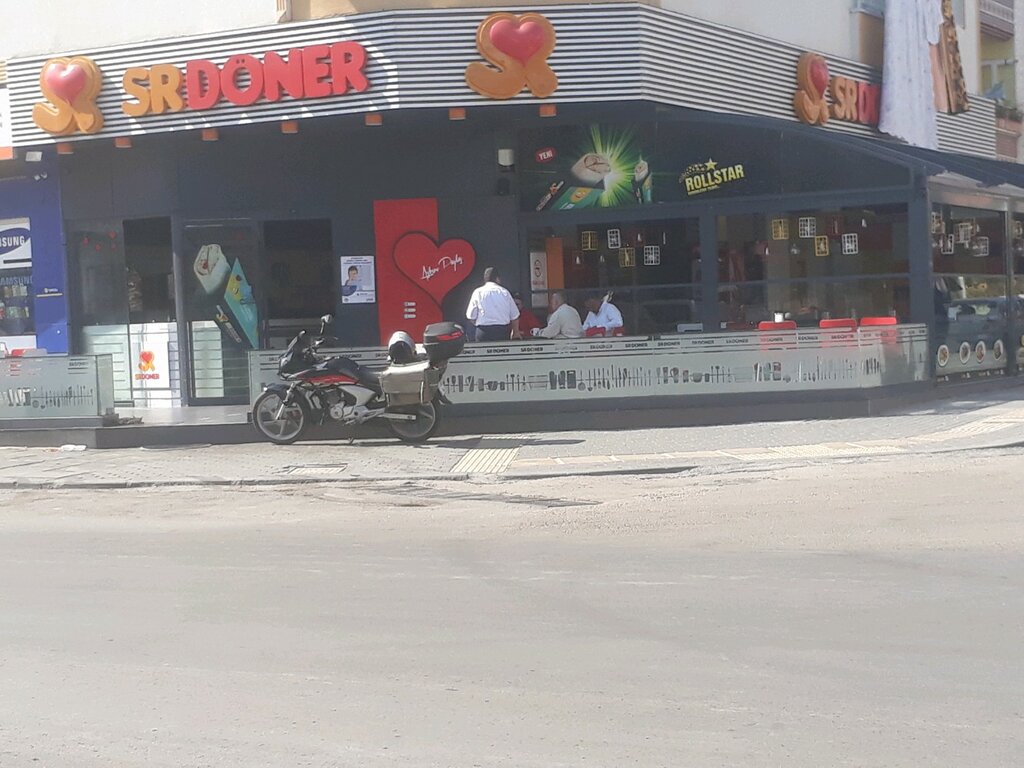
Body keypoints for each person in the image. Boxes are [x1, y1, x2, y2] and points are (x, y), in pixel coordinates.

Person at [466, 266, 520, 342]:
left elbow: (471, 316)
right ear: (497, 279)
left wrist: (479, 324)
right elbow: (514, 315)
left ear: (485, 280)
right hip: (502, 332)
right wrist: (515, 332)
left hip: (483, 332)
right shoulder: (505, 292)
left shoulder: (477, 292)